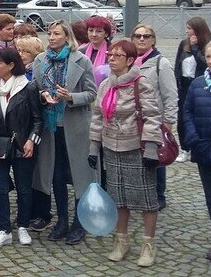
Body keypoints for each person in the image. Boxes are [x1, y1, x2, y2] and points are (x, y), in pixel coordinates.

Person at [89, 39, 161, 267]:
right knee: (119, 197)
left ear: (130, 60)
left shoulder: (141, 83)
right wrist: (93, 146)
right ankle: (122, 241)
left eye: (117, 56)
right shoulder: (105, 85)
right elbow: (98, 117)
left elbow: (152, 116)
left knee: (147, 199)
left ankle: (148, 244)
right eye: (110, 54)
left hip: (137, 148)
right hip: (112, 147)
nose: (111, 58)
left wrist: (150, 147)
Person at [31, 20, 96, 245]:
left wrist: (71, 97)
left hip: (75, 125)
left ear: (67, 37)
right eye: (49, 33)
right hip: (51, 127)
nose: (51, 37)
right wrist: (43, 96)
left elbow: (91, 93)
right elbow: (36, 89)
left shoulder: (81, 60)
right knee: (55, 175)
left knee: (79, 175)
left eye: (56, 33)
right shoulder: (41, 60)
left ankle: (80, 223)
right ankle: (61, 220)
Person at [0, 48, 43, 249]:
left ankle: (23, 225)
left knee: (24, 188)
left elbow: (37, 119)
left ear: (11, 65)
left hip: (22, 145)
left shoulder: (28, 87)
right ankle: (4, 229)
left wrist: (31, 140)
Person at [129, 24, 178, 210]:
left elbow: (170, 95)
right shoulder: (130, 61)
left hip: (154, 119)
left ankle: (158, 195)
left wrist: (168, 121)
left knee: (157, 157)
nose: (142, 39)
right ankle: (139, 192)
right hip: (133, 120)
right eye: (138, 36)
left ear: (153, 40)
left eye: (146, 36)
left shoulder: (160, 63)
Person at [183, 40, 211, 261]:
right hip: (205, 149)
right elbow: (187, 112)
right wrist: (193, 139)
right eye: (209, 57)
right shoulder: (197, 84)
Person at [176, 17, 211, 163]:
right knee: (182, 118)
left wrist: (196, 47)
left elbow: (205, 65)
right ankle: (185, 148)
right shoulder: (183, 44)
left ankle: (197, 146)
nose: (187, 31)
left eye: (190, 28)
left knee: (199, 117)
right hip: (184, 85)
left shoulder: (208, 45)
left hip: (200, 85)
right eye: (186, 27)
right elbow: (178, 63)